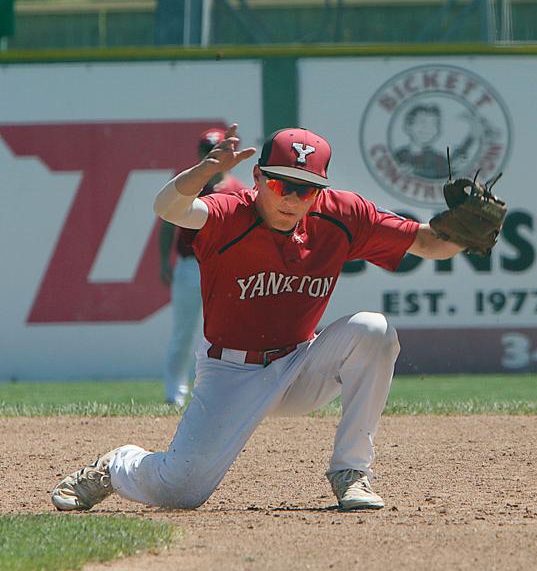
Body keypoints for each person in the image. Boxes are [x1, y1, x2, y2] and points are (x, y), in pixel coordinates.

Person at [51, 124, 469, 514]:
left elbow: (430, 244)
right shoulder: (229, 213)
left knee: (373, 330)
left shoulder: (342, 215)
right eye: (280, 184)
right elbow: (169, 208)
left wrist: (466, 233)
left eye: (306, 191)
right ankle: (117, 465)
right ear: (256, 177)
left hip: (301, 363)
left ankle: (351, 472)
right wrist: (203, 172)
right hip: (230, 371)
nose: (291, 199)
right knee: (180, 492)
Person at [156, 127, 245, 408]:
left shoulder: (239, 189)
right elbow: (167, 225)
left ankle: (225, 394)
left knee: (228, 335)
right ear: (199, 153)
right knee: (183, 333)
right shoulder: (188, 184)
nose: (213, 156)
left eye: (219, 150)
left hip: (225, 269)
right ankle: (175, 395)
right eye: (208, 151)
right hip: (189, 265)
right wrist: (163, 261)